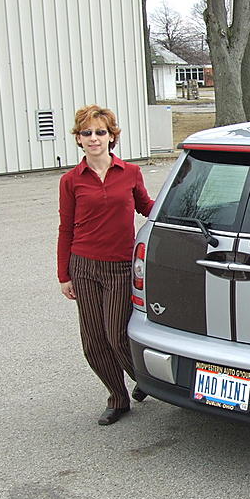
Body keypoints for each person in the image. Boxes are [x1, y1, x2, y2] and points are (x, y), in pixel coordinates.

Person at [57, 105, 154, 426]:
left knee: (117, 335)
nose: (94, 138)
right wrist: (64, 275)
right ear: (78, 139)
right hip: (83, 267)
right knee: (93, 341)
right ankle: (118, 398)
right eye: (87, 133)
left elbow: (147, 207)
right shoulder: (71, 181)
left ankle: (146, 379)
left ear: (112, 137)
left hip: (119, 267)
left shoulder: (130, 173)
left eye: (101, 132)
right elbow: (66, 229)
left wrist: (179, 211)